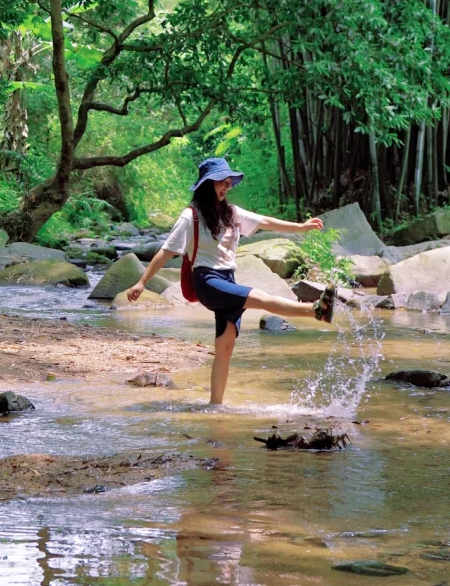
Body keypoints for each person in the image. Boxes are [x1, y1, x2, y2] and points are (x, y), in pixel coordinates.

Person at [126, 156, 335, 405]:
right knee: (258, 298)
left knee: (225, 349)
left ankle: (215, 407)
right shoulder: (190, 215)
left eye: (228, 182)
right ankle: (315, 311)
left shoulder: (231, 213)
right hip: (206, 280)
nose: (226, 187)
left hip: (228, 279)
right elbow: (166, 251)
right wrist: (142, 282)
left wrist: (300, 227)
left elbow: (265, 222)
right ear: (207, 184)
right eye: (221, 182)